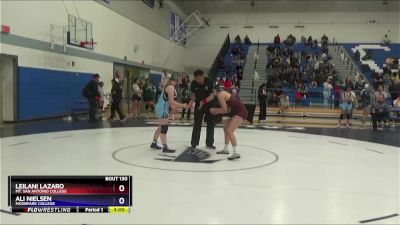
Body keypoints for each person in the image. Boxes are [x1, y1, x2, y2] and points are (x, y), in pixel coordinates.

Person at [210, 85, 248, 160]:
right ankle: (226, 149)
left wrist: (215, 110)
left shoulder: (220, 95)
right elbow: (228, 110)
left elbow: (224, 110)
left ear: (215, 91)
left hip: (240, 112)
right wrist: (217, 111)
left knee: (229, 131)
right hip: (239, 112)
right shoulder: (225, 94)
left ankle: (236, 152)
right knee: (226, 128)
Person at [151, 74, 187, 153]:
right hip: (162, 109)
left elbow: (170, 102)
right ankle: (165, 147)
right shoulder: (171, 87)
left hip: (161, 107)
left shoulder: (168, 85)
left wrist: (175, 108)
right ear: (176, 80)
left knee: (161, 126)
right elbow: (171, 102)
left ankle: (154, 143)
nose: (181, 82)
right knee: (164, 127)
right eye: (180, 80)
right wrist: (182, 105)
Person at [187, 69, 216, 150]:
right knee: (197, 123)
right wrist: (190, 102)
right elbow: (193, 95)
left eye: (199, 78)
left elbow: (212, 96)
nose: (197, 80)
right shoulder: (193, 83)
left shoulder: (209, 81)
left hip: (209, 104)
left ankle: (210, 143)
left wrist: (203, 102)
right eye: (196, 79)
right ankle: (194, 144)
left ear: (203, 76)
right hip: (199, 105)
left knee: (210, 123)